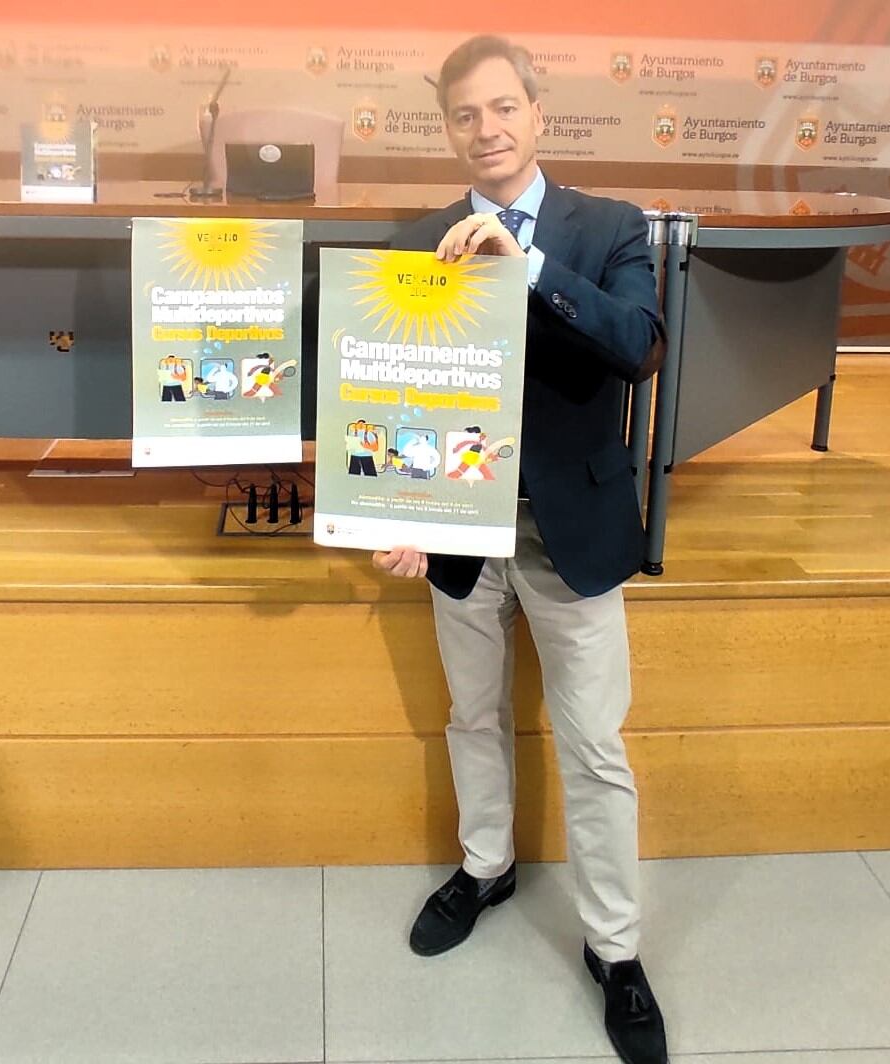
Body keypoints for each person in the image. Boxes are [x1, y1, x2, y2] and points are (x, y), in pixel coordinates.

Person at [374, 34, 667, 1064]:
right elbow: (396, 388)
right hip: (460, 532)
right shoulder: (418, 239)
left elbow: (634, 347)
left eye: (504, 108)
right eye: (466, 114)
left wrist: (526, 263)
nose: (487, 130)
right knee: (472, 712)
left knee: (594, 744)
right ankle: (486, 864)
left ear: (537, 113)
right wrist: (399, 505)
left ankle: (615, 949)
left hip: (569, 532)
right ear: (447, 127)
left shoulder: (607, 228)